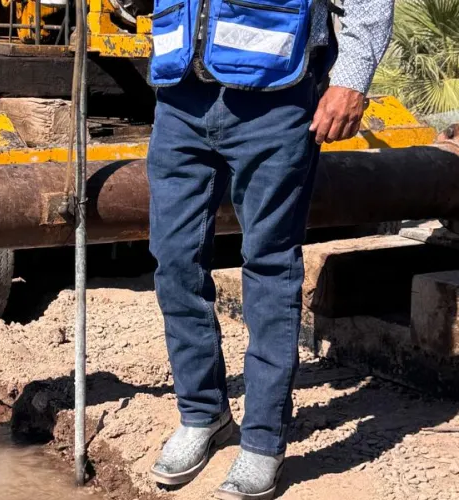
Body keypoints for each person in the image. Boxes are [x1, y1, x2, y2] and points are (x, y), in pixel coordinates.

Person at [146, 0, 394, 498]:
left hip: (276, 94)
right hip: (180, 98)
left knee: (269, 267)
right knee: (173, 261)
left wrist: (351, 79)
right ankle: (203, 414)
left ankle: (262, 441)